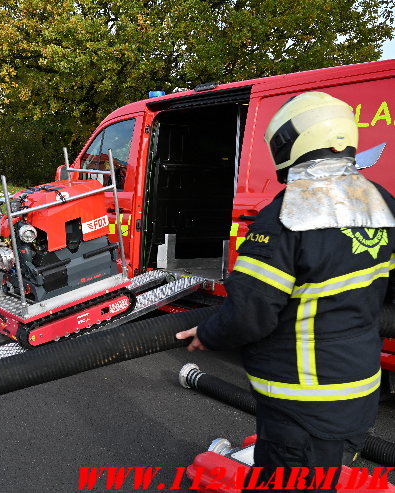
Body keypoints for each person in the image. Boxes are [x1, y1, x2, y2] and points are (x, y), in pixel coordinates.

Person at [176, 92, 395, 491]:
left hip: (303, 403)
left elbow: (251, 311)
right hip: (358, 394)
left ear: (293, 143)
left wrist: (207, 333)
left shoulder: (288, 214)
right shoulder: (382, 203)